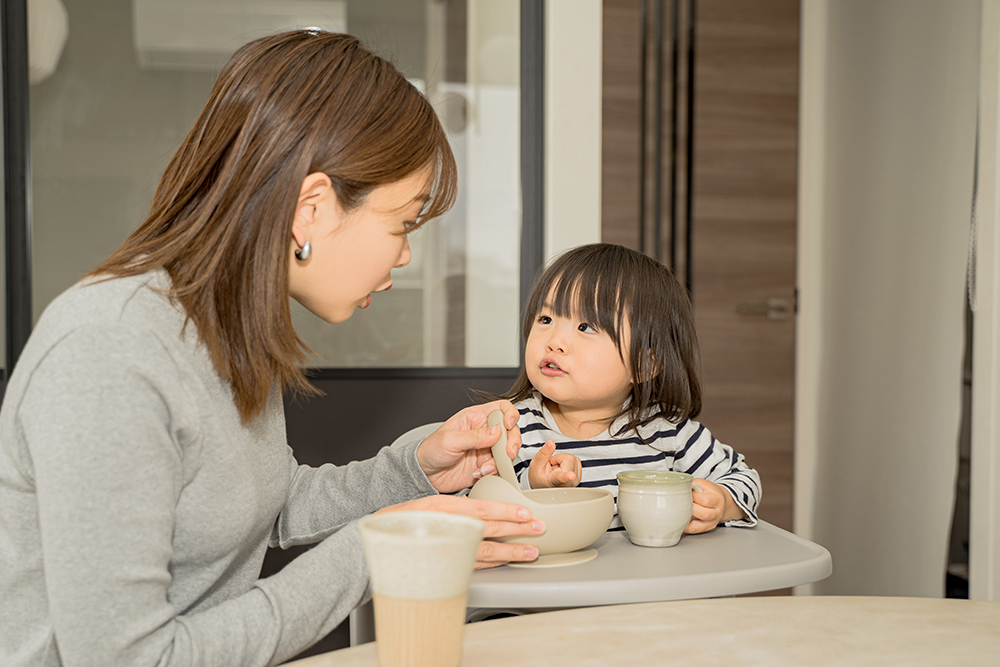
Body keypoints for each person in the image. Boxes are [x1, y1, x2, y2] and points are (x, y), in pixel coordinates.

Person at [0, 31, 544, 667]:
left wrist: (415, 471)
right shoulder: (108, 353)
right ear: (310, 209)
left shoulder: (222, 326)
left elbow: (265, 504)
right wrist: (380, 550)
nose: (404, 255)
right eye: (402, 223)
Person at [504, 243, 761, 532]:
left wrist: (723, 503)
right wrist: (531, 486)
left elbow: (743, 477)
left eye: (586, 326)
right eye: (546, 319)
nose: (554, 340)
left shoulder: (665, 431)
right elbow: (466, 503)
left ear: (644, 365)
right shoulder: (511, 428)